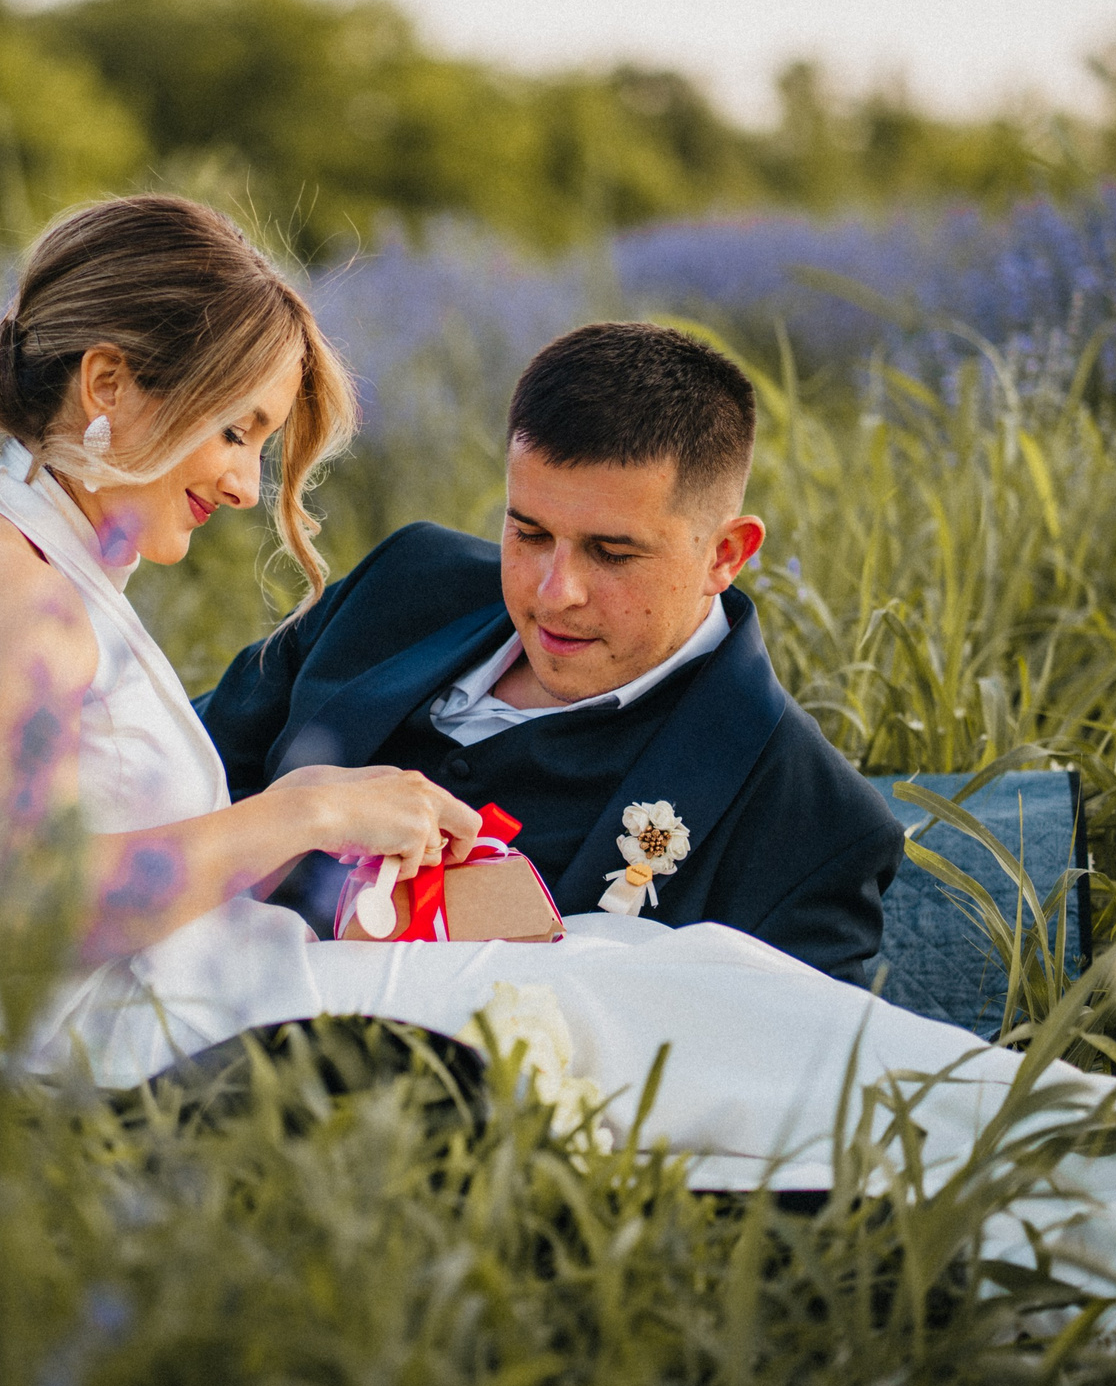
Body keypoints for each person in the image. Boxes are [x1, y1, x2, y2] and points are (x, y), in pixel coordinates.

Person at [0, 193, 1116, 1307]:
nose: (250, 482)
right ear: (113, 383)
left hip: (172, 1007)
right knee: (650, 985)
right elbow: (26, 903)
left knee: (681, 973)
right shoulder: (22, 597)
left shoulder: (11, 566)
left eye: (613, 554)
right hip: (143, 1052)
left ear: (728, 549)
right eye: (244, 431)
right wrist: (313, 818)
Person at [194, 320, 899, 983]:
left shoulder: (812, 826)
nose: (556, 592)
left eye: (612, 553)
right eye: (528, 533)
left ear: (725, 554)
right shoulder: (404, 583)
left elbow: (787, 1082)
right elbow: (163, 768)